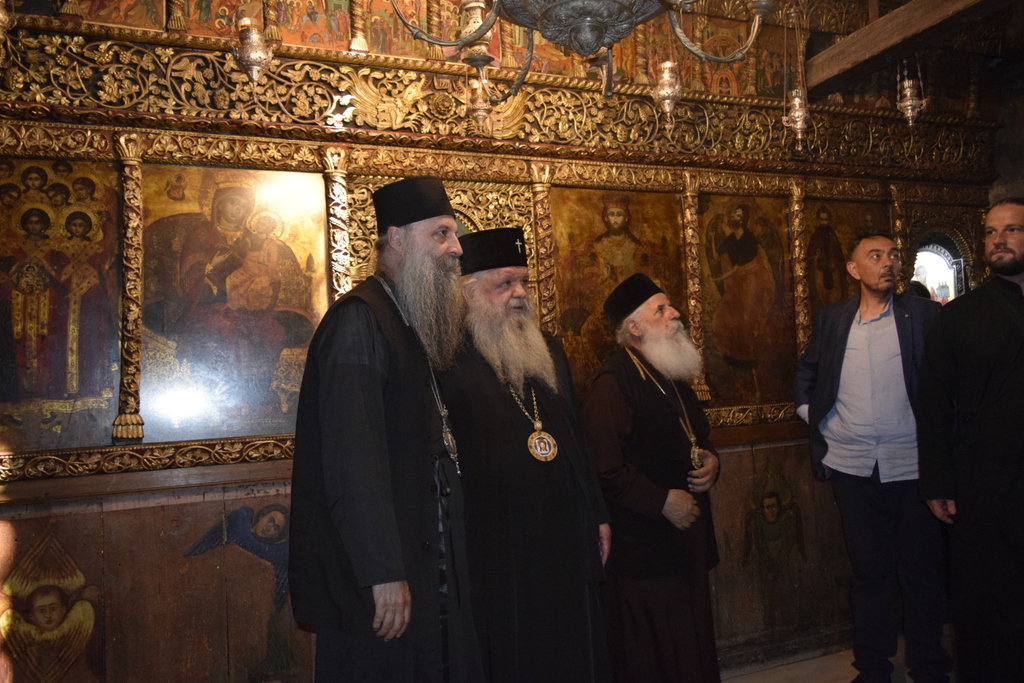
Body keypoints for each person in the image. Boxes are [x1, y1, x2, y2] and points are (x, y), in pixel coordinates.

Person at [289, 176, 482, 682]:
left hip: (423, 564)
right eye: (441, 234)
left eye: (453, 235)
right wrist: (383, 572)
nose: (456, 249)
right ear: (396, 238)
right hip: (377, 581)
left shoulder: (410, 320)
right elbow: (353, 460)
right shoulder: (358, 321)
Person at [440, 228, 611, 683]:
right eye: (505, 284)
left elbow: (575, 438)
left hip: (565, 532)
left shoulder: (548, 348)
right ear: (468, 293)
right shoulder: (448, 360)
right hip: (498, 539)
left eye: (523, 282)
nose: (519, 294)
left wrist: (598, 514)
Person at [794, 232, 951, 683]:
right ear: (853, 269)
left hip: (912, 466)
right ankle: (873, 668)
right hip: (853, 467)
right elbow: (808, 370)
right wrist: (812, 414)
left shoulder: (923, 314)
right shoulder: (834, 319)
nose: (888, 263)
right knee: (869, 573)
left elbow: (947, 379)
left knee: (920, 573)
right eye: (876, 256)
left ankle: (928, 665)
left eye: (893, 255)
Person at [582, 273, 722, 683]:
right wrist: (662, 501)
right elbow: (603, 468)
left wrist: (712, 462)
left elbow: (699, 437)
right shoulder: (612, 385)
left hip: (685, 542)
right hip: (644, 548)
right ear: (635, 328)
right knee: (657, 653)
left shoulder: (669, 373)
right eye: (661, 309)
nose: (674, 313)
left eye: (669, 305)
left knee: (690, 644)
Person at [917, 198, 1024, 682]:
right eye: (990, 232)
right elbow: (934, 404)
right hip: (983, 482)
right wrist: (938, 481)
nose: (999, 239)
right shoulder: (958, 316)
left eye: (1012, 229)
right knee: (986, 599)